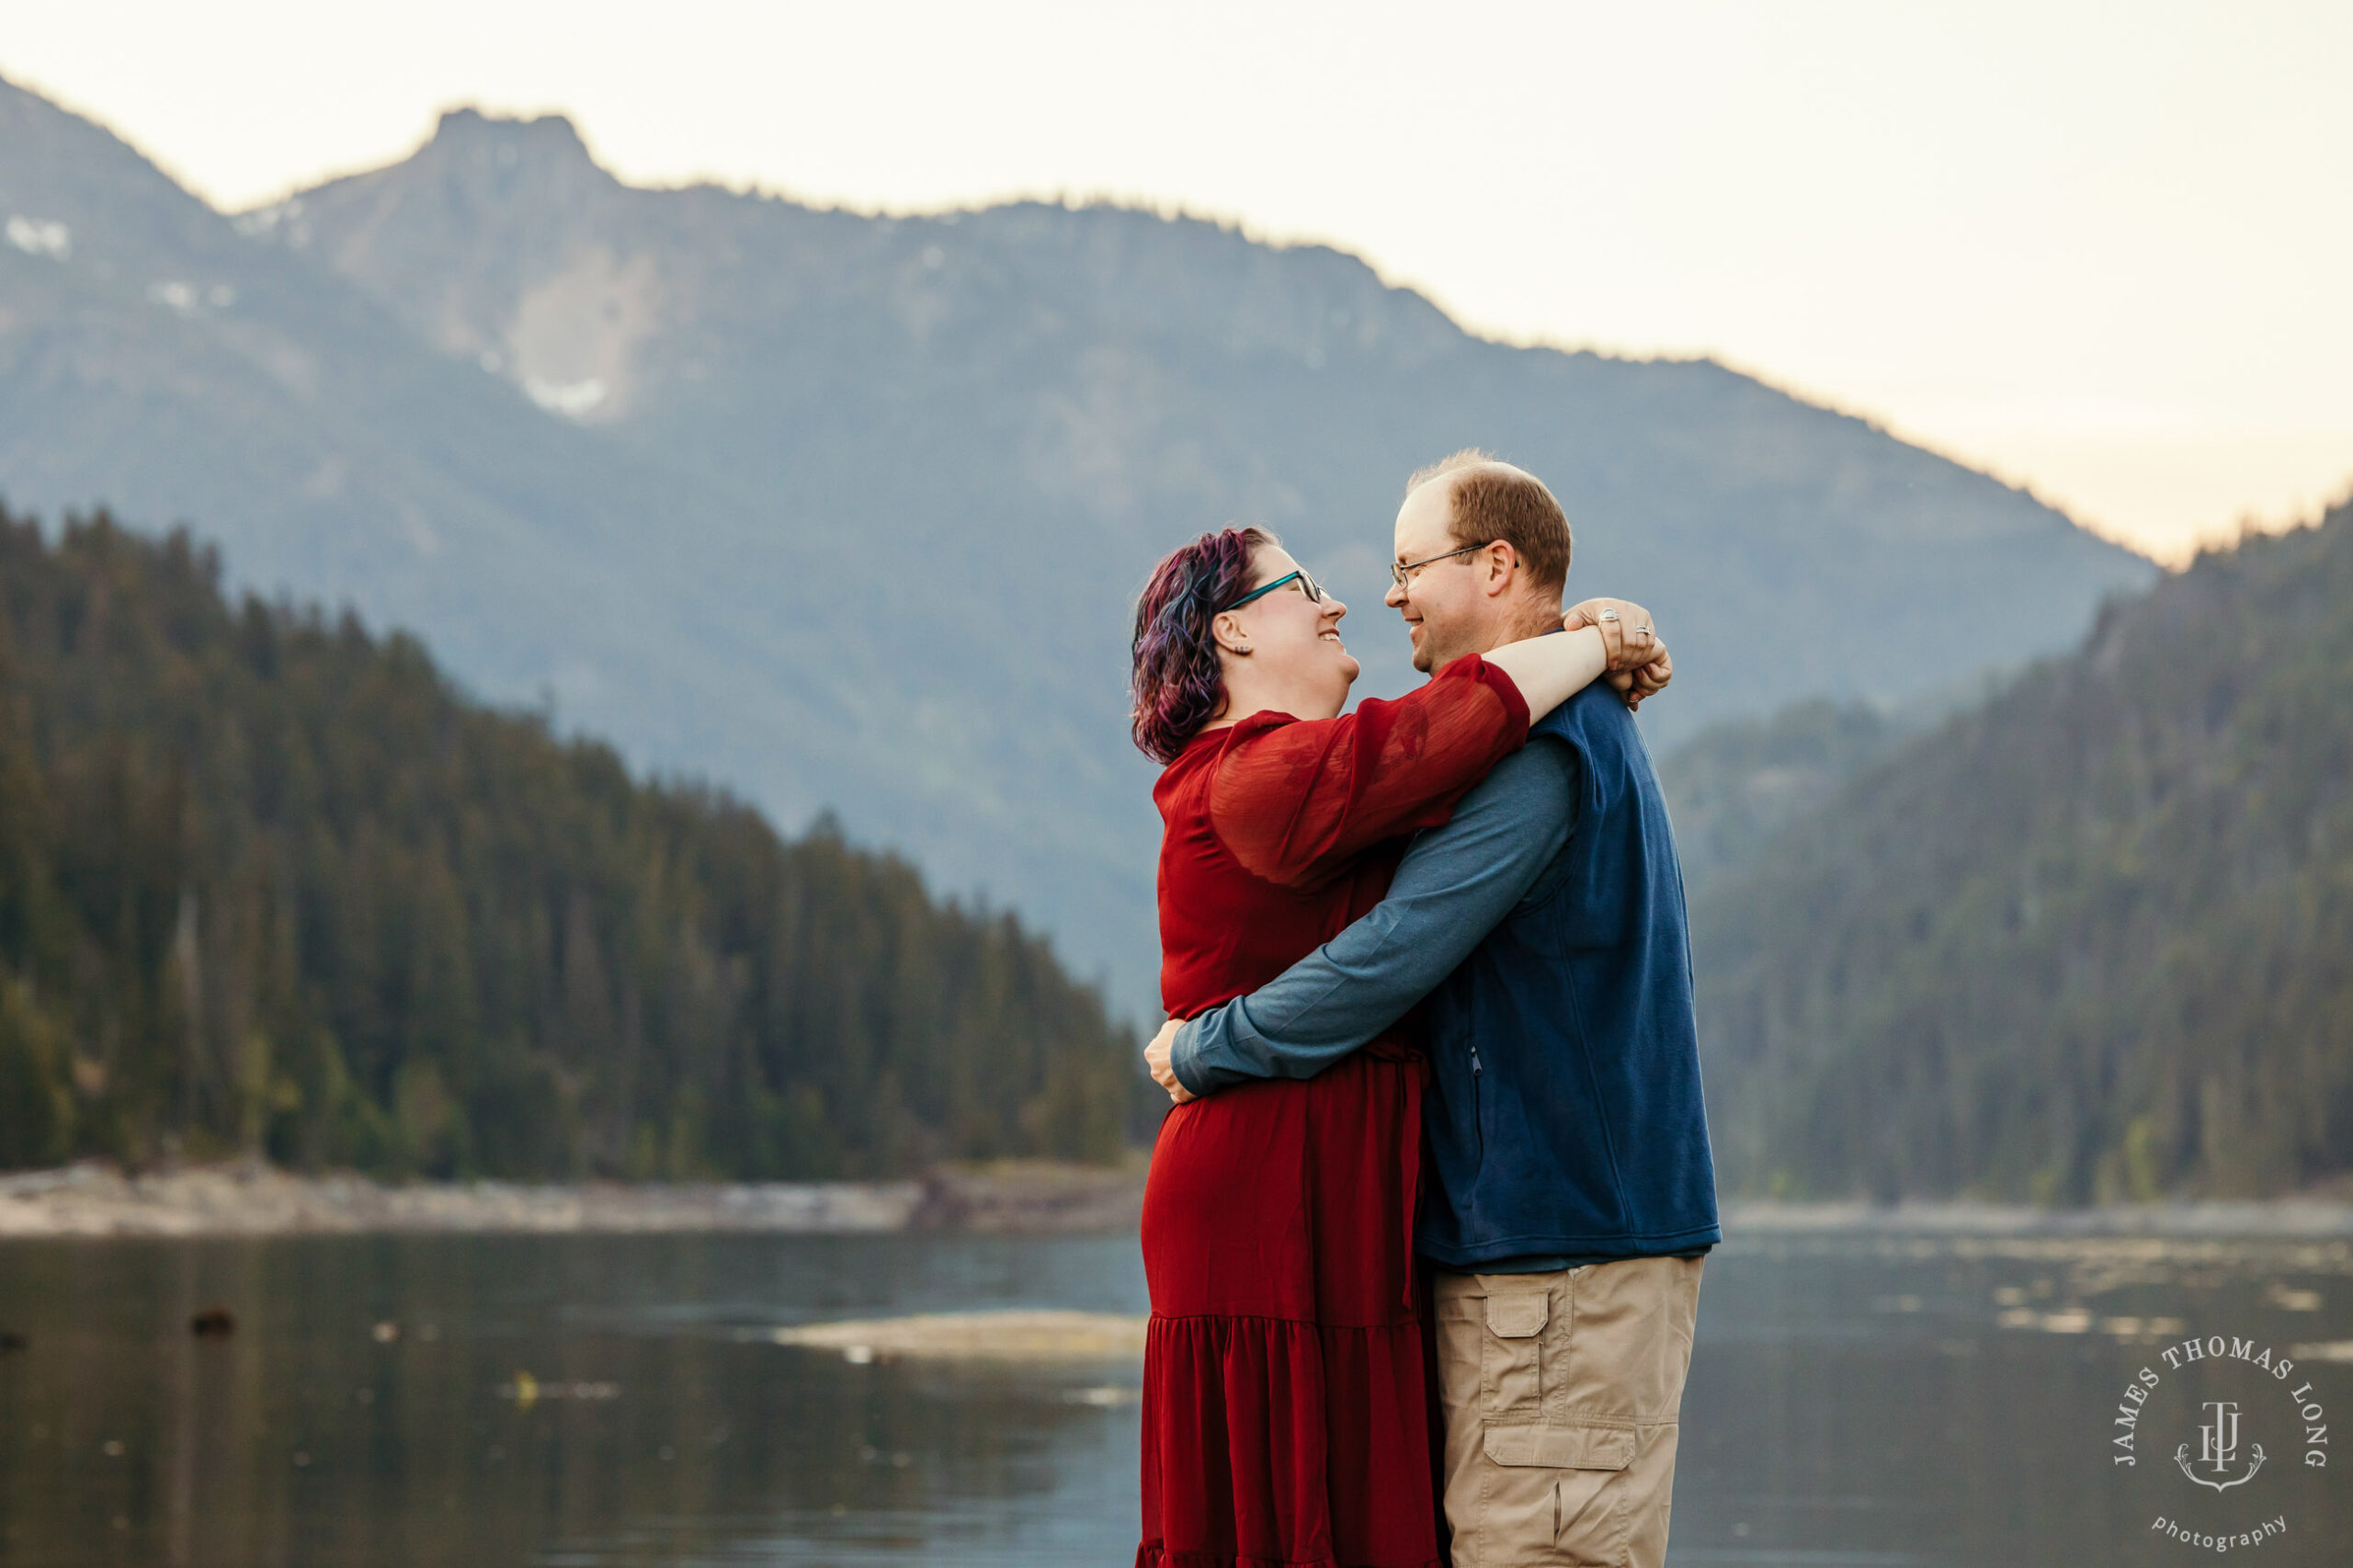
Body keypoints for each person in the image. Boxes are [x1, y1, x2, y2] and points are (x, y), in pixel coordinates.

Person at [1145, 451, 1717, 1568]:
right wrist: (1597, 636)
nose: (1382, 591)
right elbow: (1408, 755)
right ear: (1230, 636)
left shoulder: (1537, 752)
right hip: (1505, 1244)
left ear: (1495, 564)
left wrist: (1211, 1044)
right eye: (1323, 582)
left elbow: (1392, 952)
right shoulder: (1464, 746)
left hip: (1556, 1249)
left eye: (1410, 564)